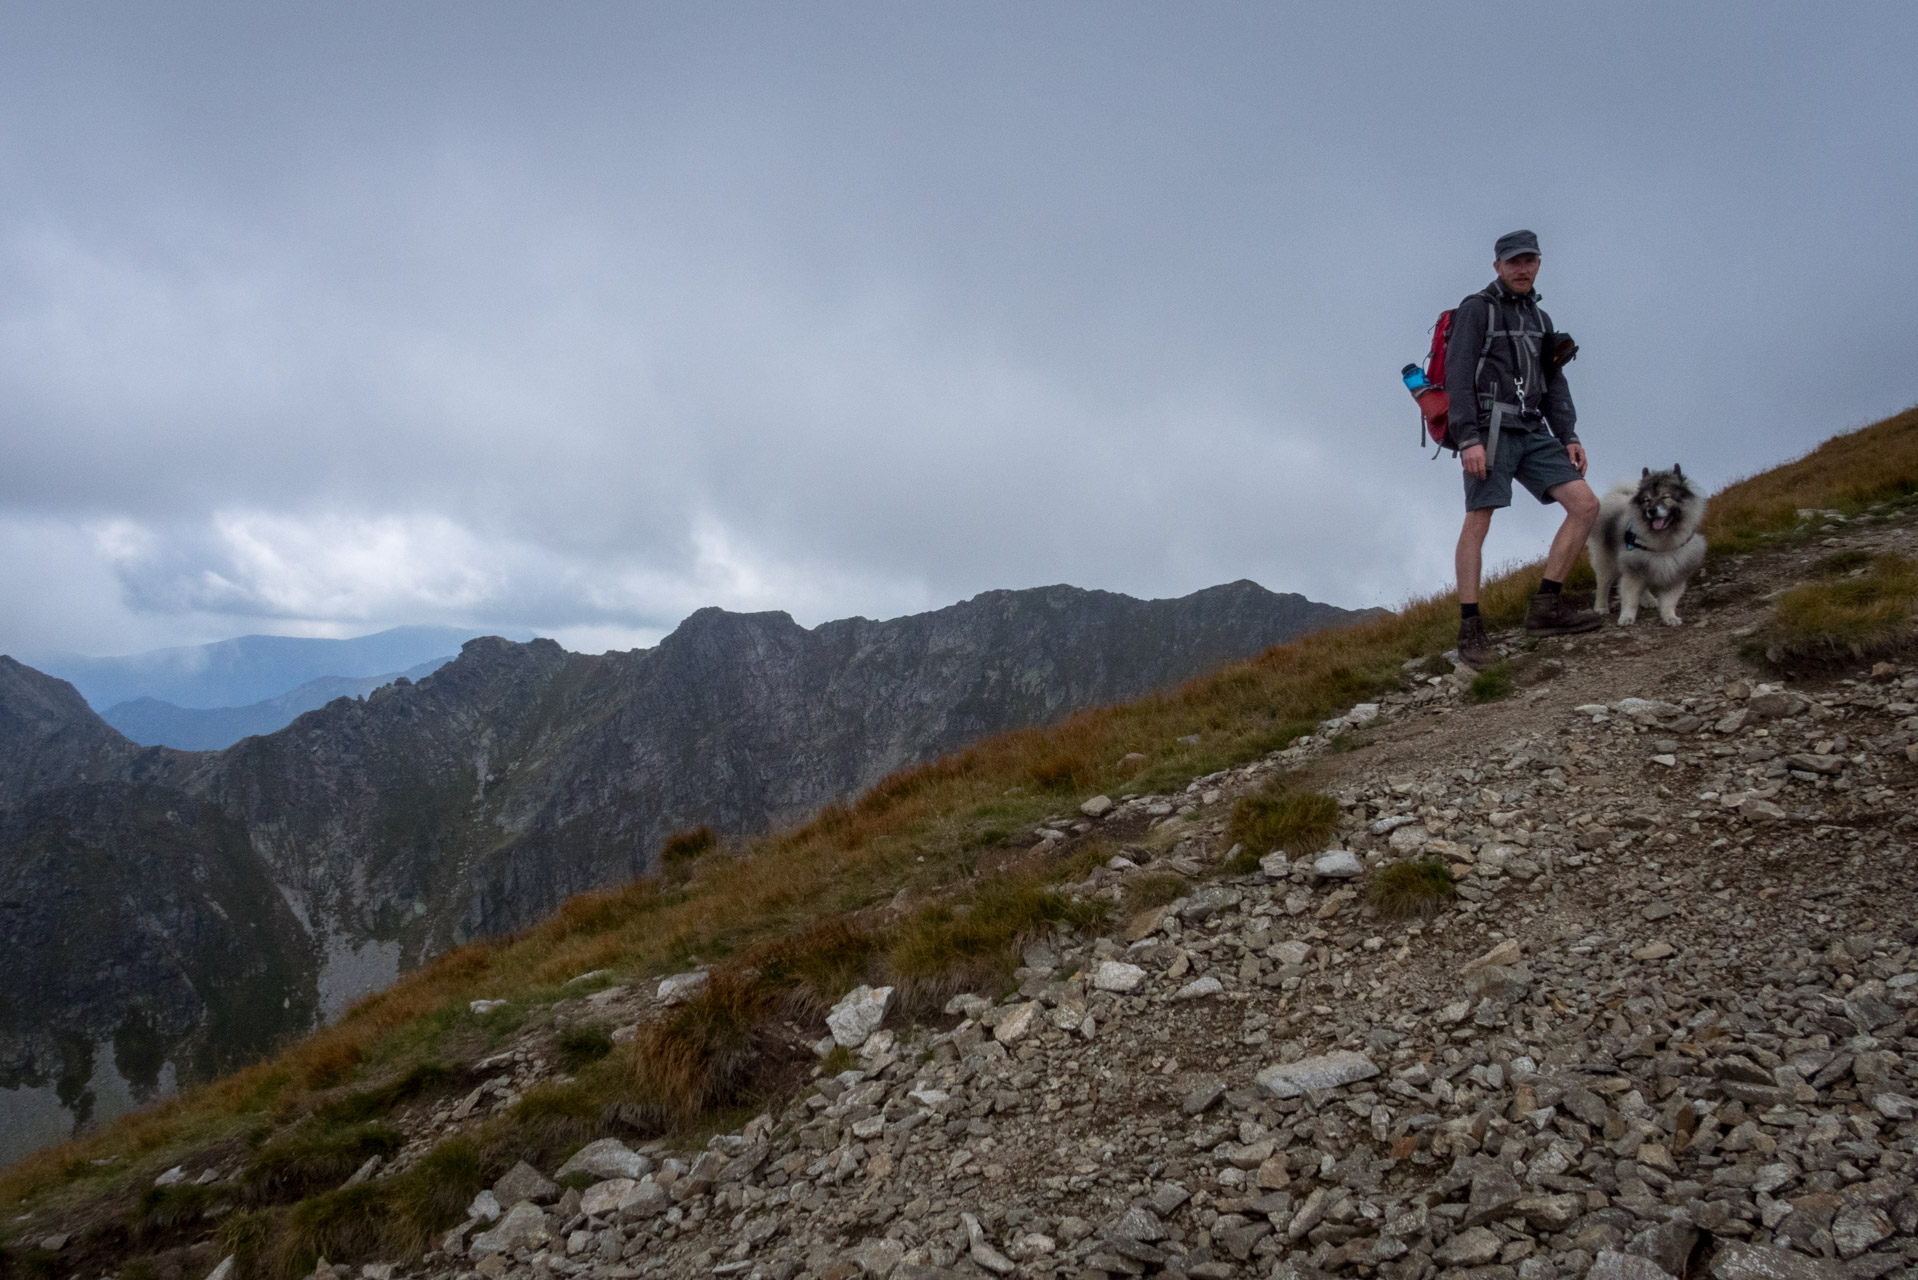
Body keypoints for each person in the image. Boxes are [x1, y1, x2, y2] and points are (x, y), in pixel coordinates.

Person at [1444, 229, 1601, 667]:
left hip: (1532, 429)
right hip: (1488, 430)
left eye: (1529, 260)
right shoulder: (1477, 309)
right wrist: (1468, 437)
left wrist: (1568, 433)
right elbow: (1457, 376)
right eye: (1513, 262)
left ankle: (1546, 606)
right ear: (1497, 266)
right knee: (1479, 521)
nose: (1522, 268)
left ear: (1538, 263)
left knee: (1586, 505)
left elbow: (1554, 382)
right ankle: (1470, 627)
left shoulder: (1541, 319)